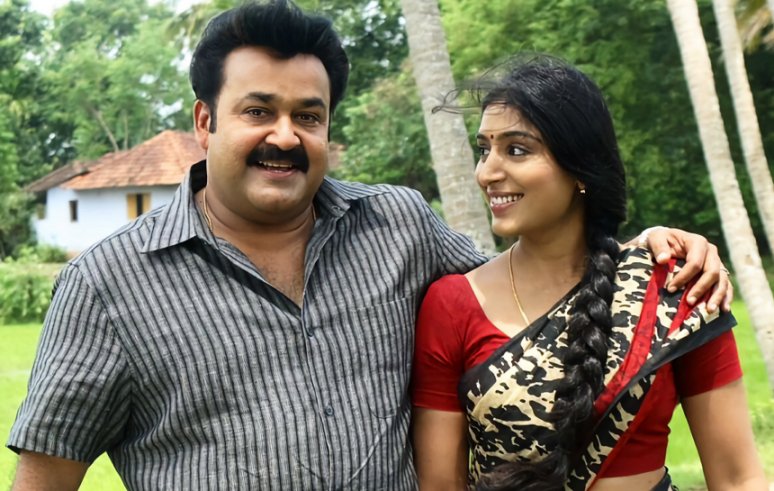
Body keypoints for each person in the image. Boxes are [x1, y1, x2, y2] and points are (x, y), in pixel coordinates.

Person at [7, 2, 731, 489]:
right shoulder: (109, 285)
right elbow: (45, 479)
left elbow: (536, 293)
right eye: (257, 110)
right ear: (205, 121)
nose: (285, 135)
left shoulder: (396, 224)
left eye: (308, 115)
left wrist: (637, 251)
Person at [411, 55, 766, 491]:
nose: (487, 172)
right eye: (484, 149)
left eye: (516, 150)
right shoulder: (452, 304)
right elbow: (440, 485)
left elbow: (738, 478)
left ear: (580, 168)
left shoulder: (672, 287)